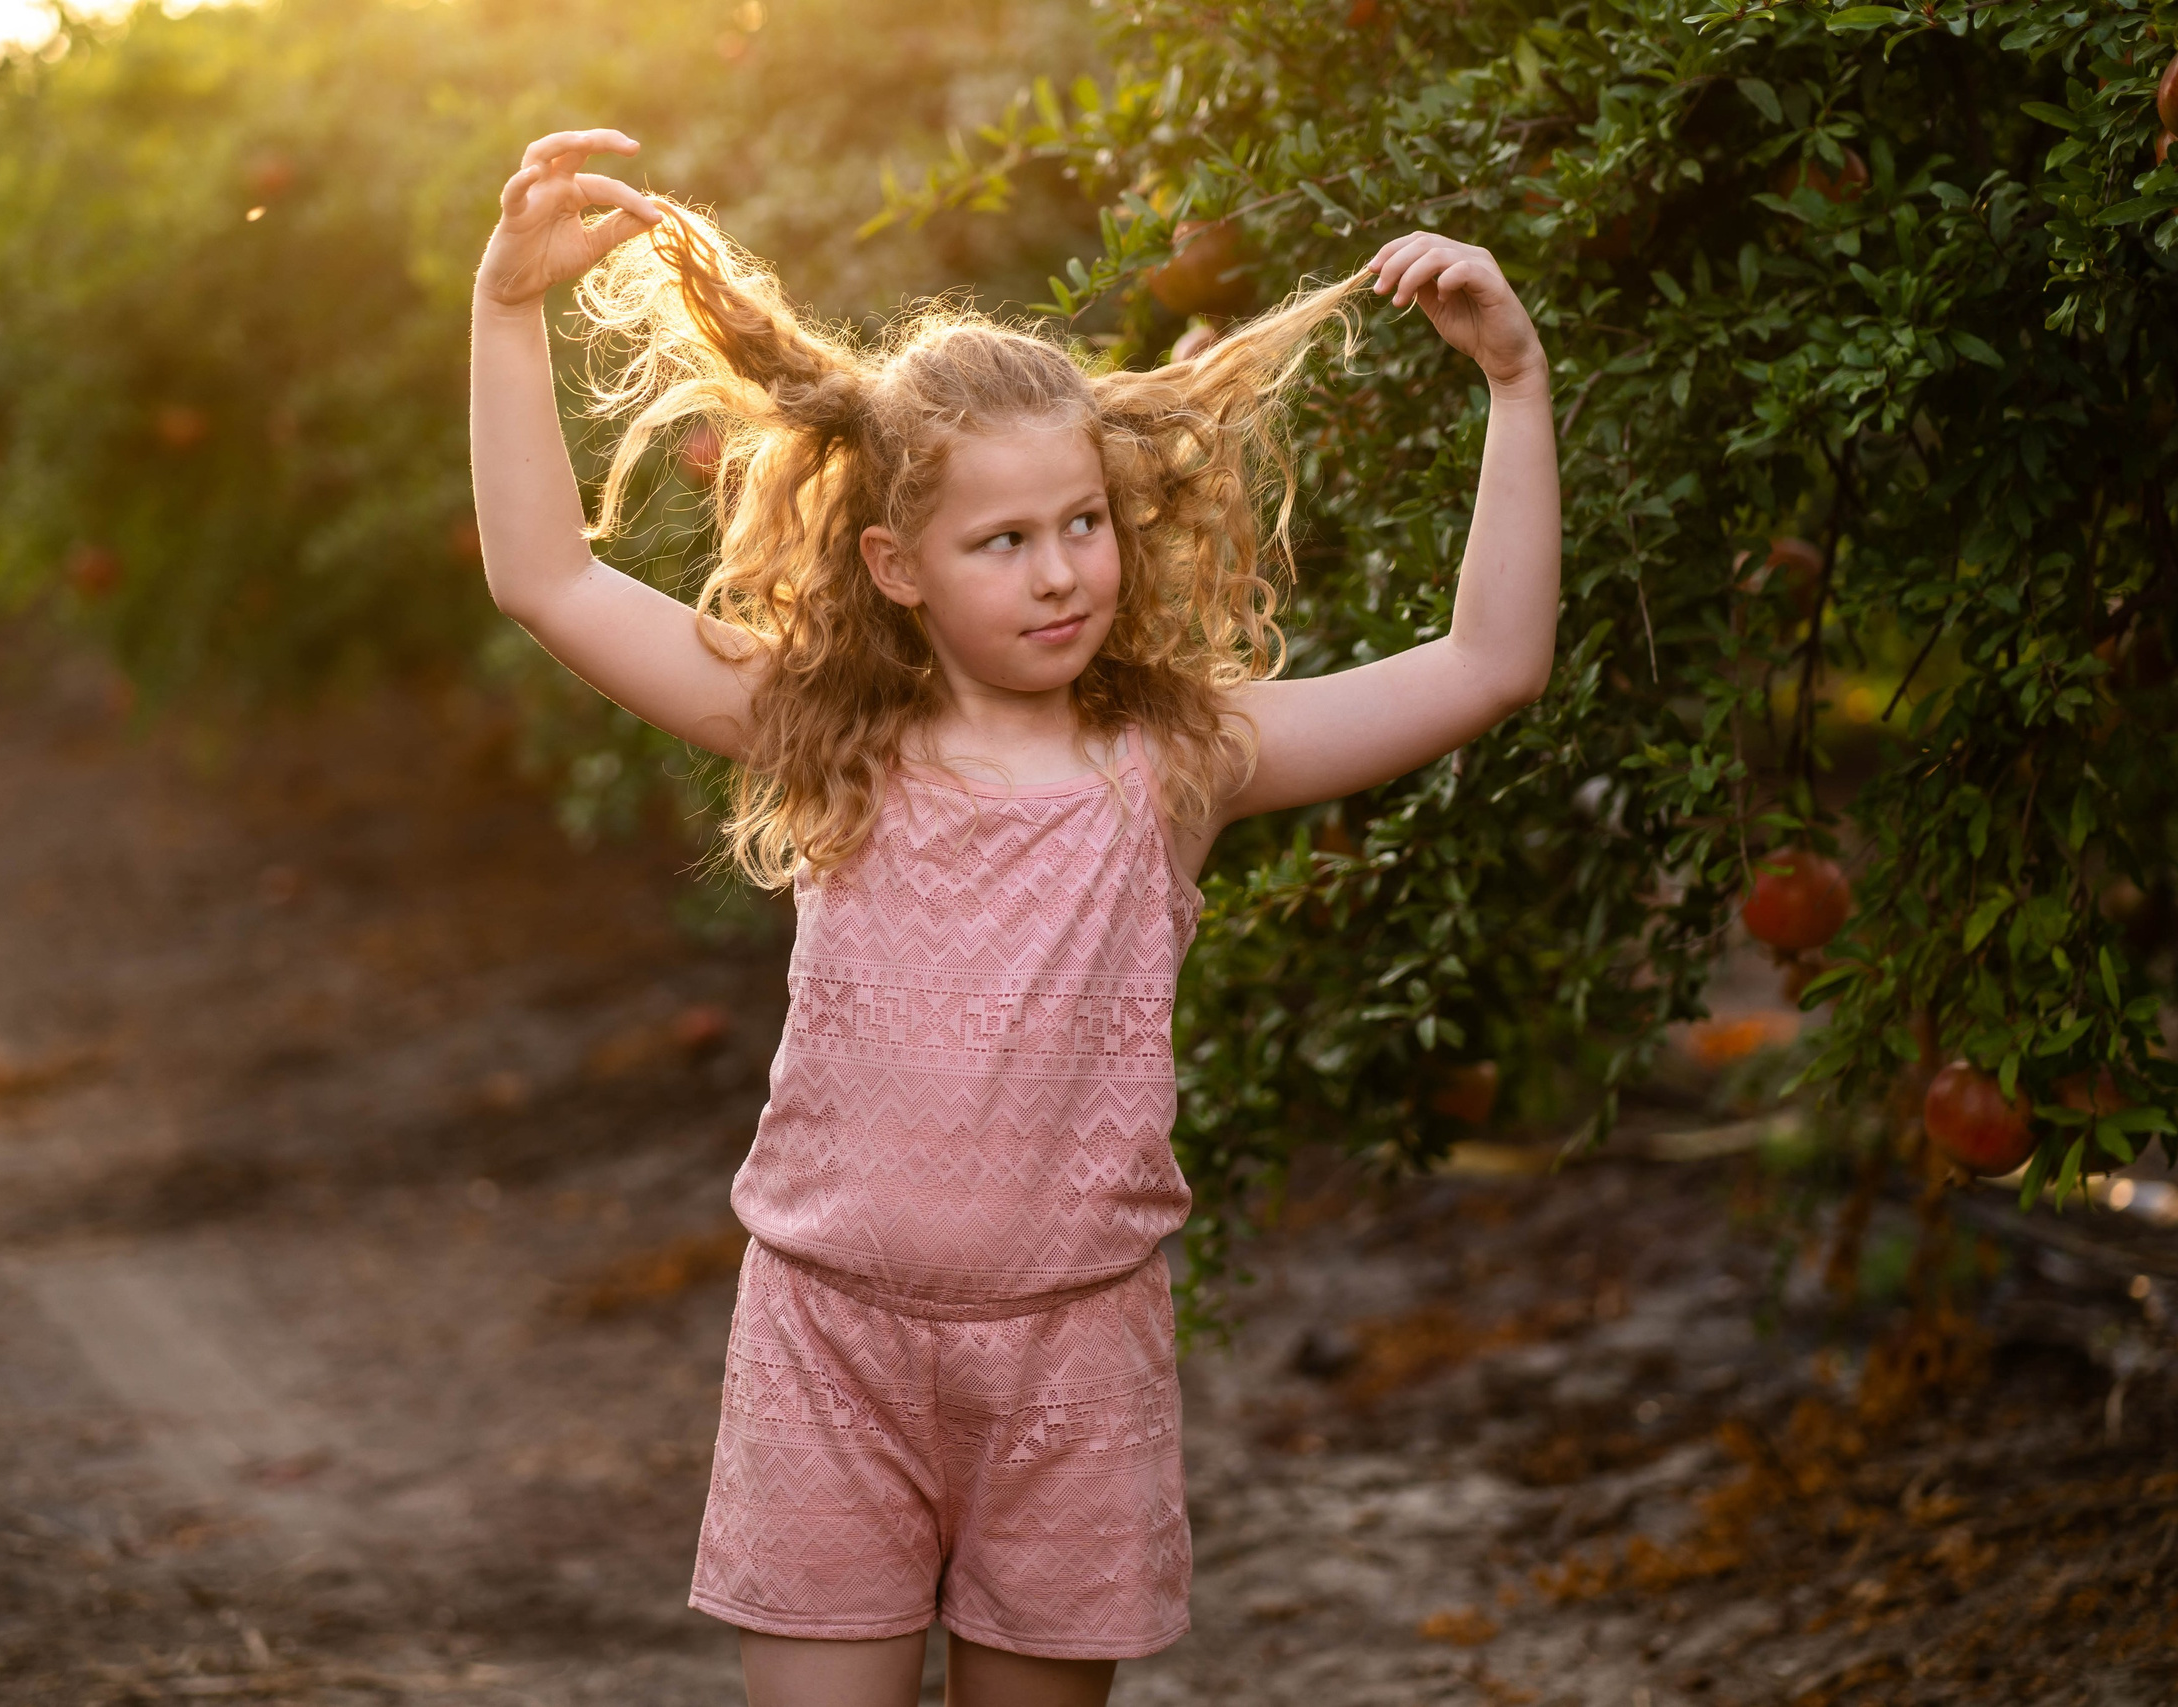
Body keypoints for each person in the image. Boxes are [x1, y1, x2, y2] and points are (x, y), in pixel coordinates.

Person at [470, 127, 1558, 1707]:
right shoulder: (825, 728)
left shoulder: (1175, 760)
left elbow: (1485, 668)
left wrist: (1516, 388)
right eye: (1002, 542)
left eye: (1082, 525)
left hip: (1073, 1355)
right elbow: (547, 581)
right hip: (832, 1340)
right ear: (894, 565)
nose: (1060, 575)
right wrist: (508, 312)